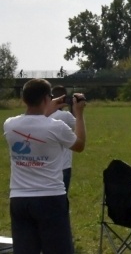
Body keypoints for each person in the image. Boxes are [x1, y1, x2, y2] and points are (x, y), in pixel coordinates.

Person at [3, 79, 86, 254]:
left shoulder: (10, 125)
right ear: (46, 99)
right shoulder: (56, 127)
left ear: (23, 98)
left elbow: (35, 119)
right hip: (50, 198)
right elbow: (79, 145)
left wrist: (48, 106)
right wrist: (79, 114)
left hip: (19, 199)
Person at [49, 85, 77, 194]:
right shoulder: (65, 116)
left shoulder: (42, 115)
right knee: (62, 197)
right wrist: (74, 108)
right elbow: (78, 125)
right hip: (63, 165)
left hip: (47, 164)